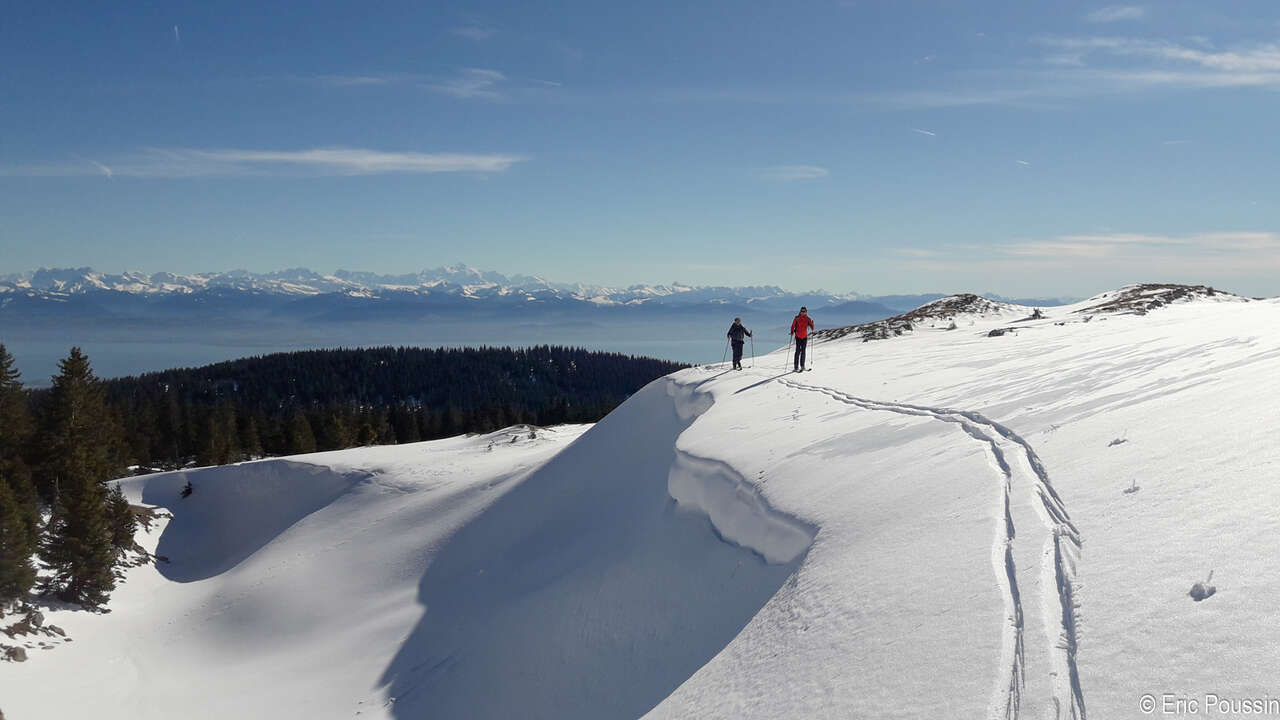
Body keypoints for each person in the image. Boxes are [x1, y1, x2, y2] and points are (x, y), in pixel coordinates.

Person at [790, 306, 814, 372]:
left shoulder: (808, 319)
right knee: (798, 351)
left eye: (804, 311)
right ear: (800, 311)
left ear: (806, 312)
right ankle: (796, 367)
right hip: (798, 336)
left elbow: (812, 328)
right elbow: (793, 325)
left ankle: (802, 366)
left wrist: (812, 324)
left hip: (804, 337)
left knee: (803, 351)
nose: (803, 312)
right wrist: (792, 331)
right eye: (802, 311)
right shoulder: (797, 318)